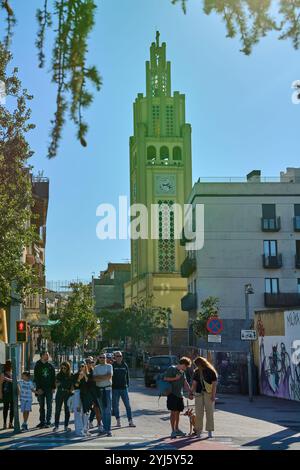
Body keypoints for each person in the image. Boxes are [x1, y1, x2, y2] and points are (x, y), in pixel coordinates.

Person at [164, 356, 193, 439]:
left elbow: (185, 382)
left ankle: (177, 429)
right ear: (182, 364)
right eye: (185, 366)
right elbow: (165, 378)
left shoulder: (182, 372)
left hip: (180, 394)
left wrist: (190, 391)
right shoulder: (171, 369)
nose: (186, 368)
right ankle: (173, 430)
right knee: (173, 412)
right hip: (172, 393)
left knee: (178, 412)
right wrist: (175, 378)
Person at [191, 356, 218, 439]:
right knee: (200, 413)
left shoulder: (210, 371)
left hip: (207, 393)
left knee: (207, 413)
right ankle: (200, 431)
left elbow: (214, 385)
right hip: (201, 393)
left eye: (197, 364)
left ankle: (207, 431)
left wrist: (213, 395)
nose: (196, 366)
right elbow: (194, 383)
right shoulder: (197, 372)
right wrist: (191, 393)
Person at [112, 351, 135, 428]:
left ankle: (130, 421)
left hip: (124, 388)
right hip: (115, 389)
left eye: (120, 356)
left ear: (122, 357)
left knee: (128, 405)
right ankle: (118, 421)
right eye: (117, 356)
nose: (119, 357)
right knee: (115, 406)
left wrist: (127, 385)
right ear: (115, 357)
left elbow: (127, 376)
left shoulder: (125, 365)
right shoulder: (113, 365)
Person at [34, 351, 56, 428]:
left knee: (49, 406)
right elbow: (36, 378)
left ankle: (48, 421)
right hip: (40, 389)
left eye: (48, 355)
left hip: (49, 389)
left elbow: (53, 377)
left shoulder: (50, 366)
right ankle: (42, 421)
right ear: (42, 356)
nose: (47, 356)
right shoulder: (37, 365)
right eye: (46, 355)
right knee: (41, 406)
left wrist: (53, 387)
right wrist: (38, 388)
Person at [93, 353, 113, 436]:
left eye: (104, 357)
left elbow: (109, 376)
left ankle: (108, 429)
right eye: (100, 357)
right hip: (99, 390)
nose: (102, 359)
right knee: (102, 410)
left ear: (106, 358)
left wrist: (100, 377)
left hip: (107, 390)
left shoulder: (109, 366)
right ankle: (104, 428)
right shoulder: (96, 367)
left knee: (107, 410)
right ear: (98, 358)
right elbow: (94, 378)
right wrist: (104, 377)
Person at [53, 362, 73, 433]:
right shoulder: (59, 375)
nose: (63, 369)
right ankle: (56, 426)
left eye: (65, 368)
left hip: (67, 394)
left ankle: (66, 426)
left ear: (68, 368)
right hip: (60, 393)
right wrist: (62, 383)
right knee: (57, 410)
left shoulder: (71, 375)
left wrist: (69, 388)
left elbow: (72, 386)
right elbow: (57, 384)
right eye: (62, 368)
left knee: (67, 410)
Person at [73, 364, 91, 437]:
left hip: (86, 395)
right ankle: (79, 430)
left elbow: (89, 385)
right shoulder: (75, 375)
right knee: (78, 412)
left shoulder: (88, 374)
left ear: (85, 367)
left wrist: (85, 376)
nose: (81, 368)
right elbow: (75, 386)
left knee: (86, 412)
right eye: (80, 366)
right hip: (78, 394)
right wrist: (79, 379)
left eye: (82, 366)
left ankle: (85, 429)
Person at [1, 360, 14, 429]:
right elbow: (0, 384)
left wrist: (18, 391)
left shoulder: (12, 373)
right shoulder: (3, 374)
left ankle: (10, 423)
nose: (12, 366)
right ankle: (4, 423)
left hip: (12, 393)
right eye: (11, 365)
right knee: (5, 408)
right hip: (6, 393)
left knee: (12, 409)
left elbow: (16, 383)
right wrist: (0, 393)